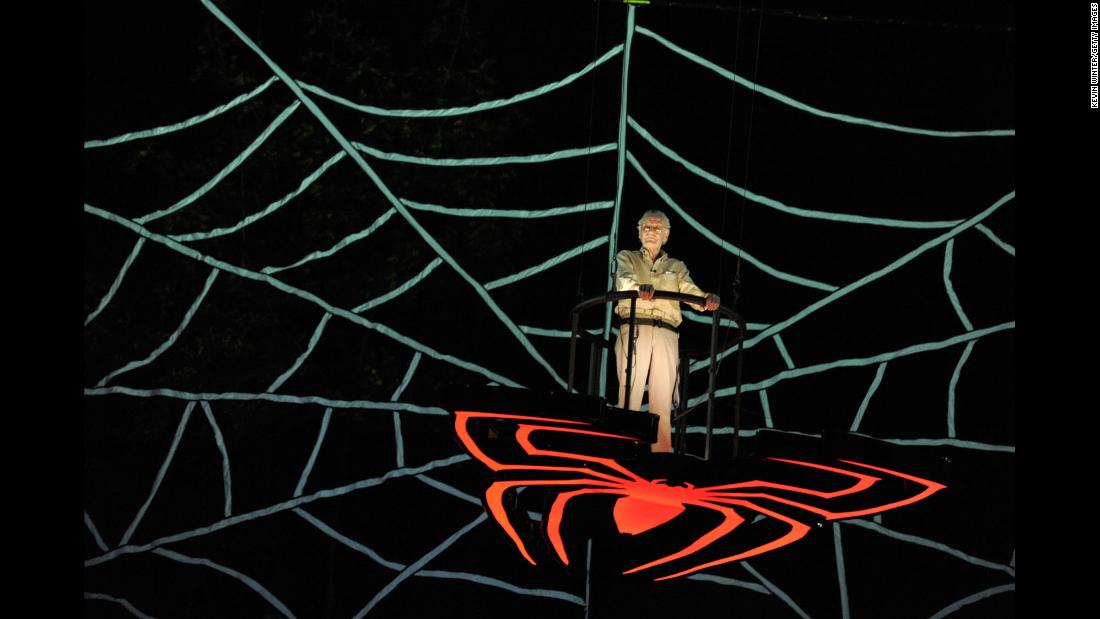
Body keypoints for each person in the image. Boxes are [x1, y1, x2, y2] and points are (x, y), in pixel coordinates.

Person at [613, 210, 719, 453]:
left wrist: (705, 300)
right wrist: (640, 289)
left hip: (666, 331)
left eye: (657, 228)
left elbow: (689, 289)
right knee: (629, 392)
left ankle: (661, 454)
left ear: (666, 236)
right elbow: (623, 281)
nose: (651, 232)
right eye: (647, 227)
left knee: (662, 396)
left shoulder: (675, 266)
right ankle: (623, 449)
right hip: (635, 326)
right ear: (639, 232)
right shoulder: (626, 257)